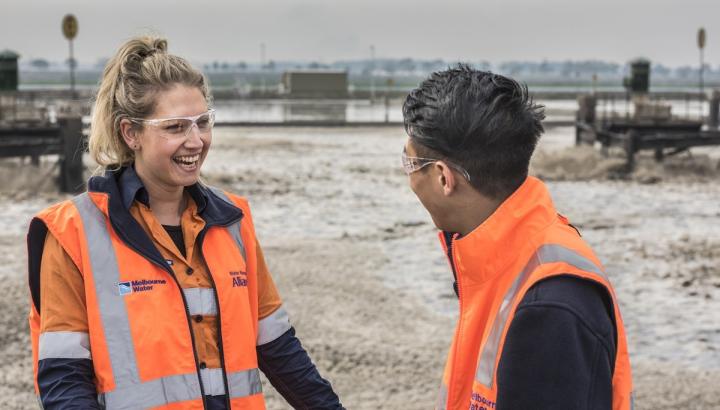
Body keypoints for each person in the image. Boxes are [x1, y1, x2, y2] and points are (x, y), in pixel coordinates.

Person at [27, 36, 343, 410]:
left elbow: (279, 348)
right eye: (175, 127)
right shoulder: (73, 233)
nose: (196, 141)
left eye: (202, 123)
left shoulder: (233, 222)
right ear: (131, 133)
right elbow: (64, 379)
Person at [401, 65, 633, 410]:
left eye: (409, 164)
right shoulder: (504, 260)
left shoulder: (550, 307)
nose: (408, 177)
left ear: (443, 178)